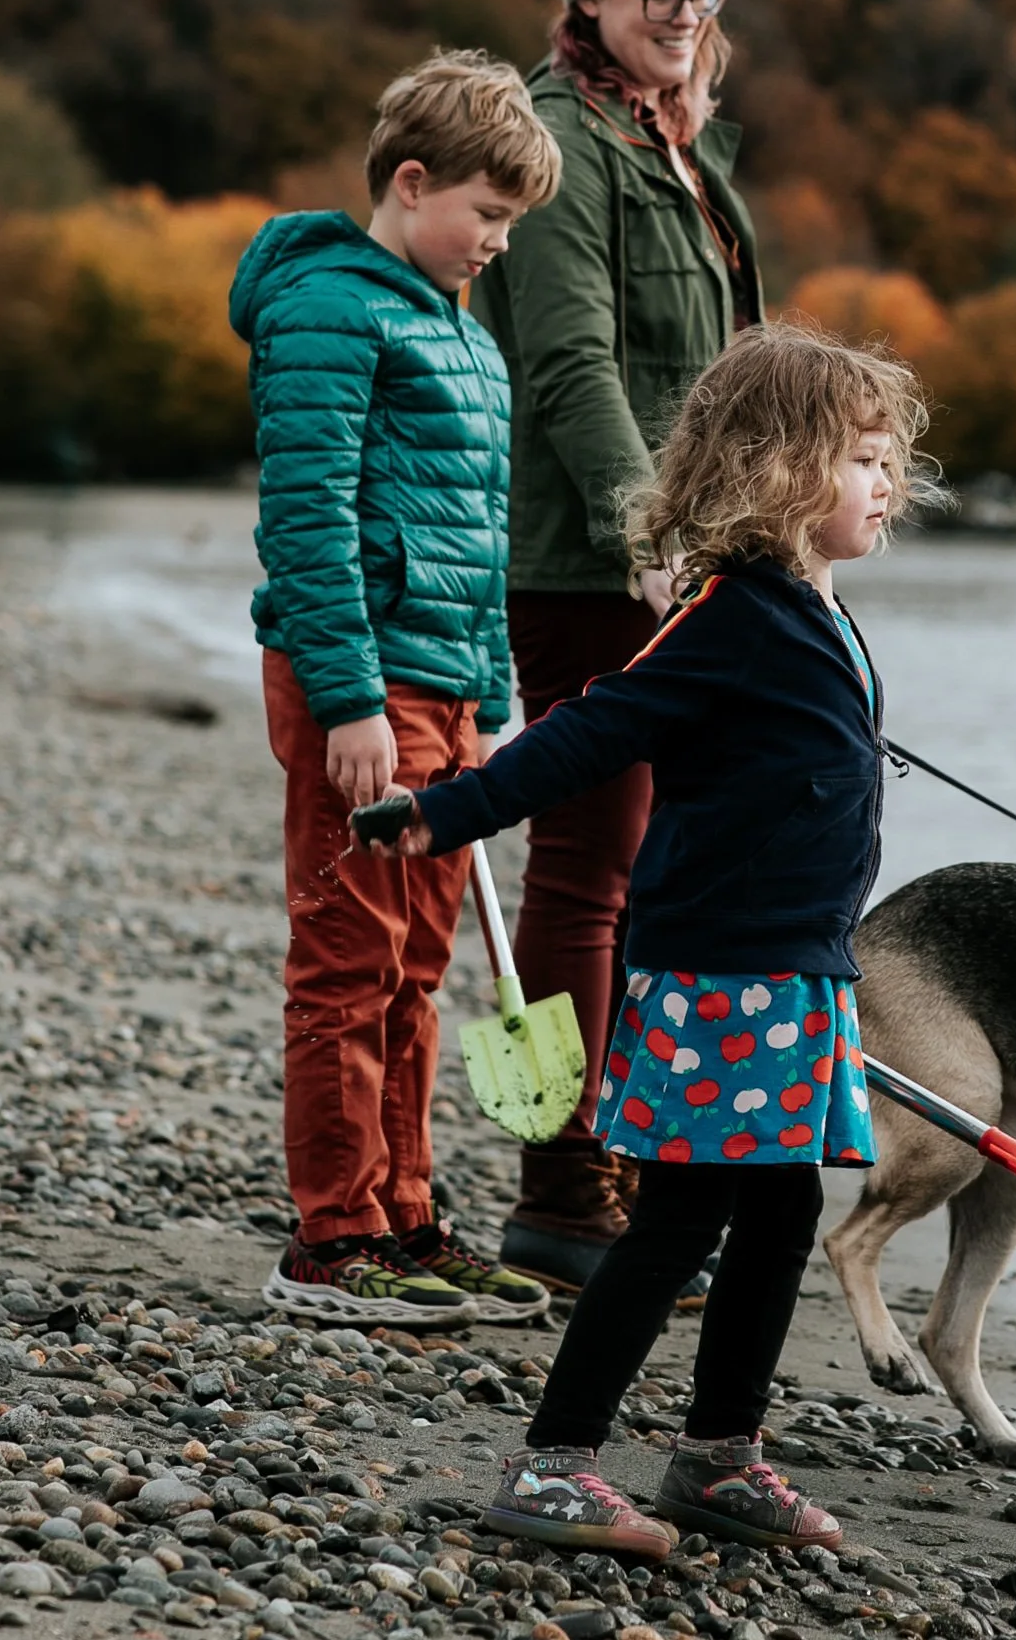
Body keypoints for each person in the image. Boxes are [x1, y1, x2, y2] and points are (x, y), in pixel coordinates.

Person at [350, 322, 926, 1556]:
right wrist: (445, 809)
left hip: (797, 971)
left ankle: (719, 1454)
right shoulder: (727, 614)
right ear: (775, 468)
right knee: (676, 1223)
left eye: (890, 461)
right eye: (862, 459)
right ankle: (553, 1461)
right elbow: (586, 730)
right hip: (723, 978)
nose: (887, 484)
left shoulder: (814, 612)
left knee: (775, 1222)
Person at [230, 50, 563, 1324]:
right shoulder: (329, 307)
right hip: (357, 690)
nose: (494, 241)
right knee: (347, 955)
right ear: (411, 182)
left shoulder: (457, 329)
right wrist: (352, 698)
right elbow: (306, 518)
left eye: (511, 224)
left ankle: (407, 1209)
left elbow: (480, 538)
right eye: (485, 214)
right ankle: (331, 1236)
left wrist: (489, 700)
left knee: (418, 964)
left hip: (446, 693)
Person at [472, 0, 763, 1294]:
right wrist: (641, 525)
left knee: (653, 869)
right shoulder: (566, 143)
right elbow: (572, 363)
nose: (685, 16)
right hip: (596, 560)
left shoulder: (675, 140)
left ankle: (628, 1151)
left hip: (696, 550)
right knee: (589, 870)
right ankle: (559, 1169)